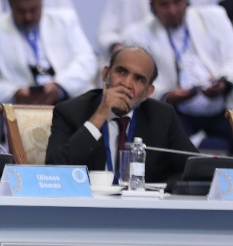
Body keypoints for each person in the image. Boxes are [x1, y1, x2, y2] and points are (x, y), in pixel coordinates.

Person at [120, 0, 233, 147]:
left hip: (223, 107)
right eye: (164, 5)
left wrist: (224, 82)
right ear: (152, 7)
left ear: (187, 0)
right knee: (169, 151)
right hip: (174, 112)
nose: (173, 10)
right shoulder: (137, 35)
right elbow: (135, 81)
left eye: (177, 2)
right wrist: (166, 95)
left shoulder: (214, 17)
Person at [45, 46, 197, 184]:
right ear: (106, 74)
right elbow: (54, 172)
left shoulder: (163, 117)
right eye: (122, 72)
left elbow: (195, 169)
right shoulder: (71, 112)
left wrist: (156, 188)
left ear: (148, 92)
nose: (126, 84)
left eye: (139, 79)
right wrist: (99, 116)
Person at [0, 0, 96, 109]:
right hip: (20, 109)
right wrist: (15, 93)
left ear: (41, 1)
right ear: (9, 4)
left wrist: (58, 86)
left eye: (33, 10)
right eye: (21, 11)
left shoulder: (65, 21)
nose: (28, 16)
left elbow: (87, 61)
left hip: (69, 101)